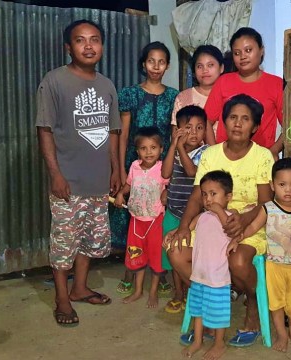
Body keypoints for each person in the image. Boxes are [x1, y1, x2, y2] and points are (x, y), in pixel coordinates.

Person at [168, 94, 274, 347]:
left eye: (245, 119)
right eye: (233, 117)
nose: (238, 123)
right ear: (224, 122)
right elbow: (197, 196)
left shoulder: (263, 157)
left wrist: (243, 220)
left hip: (250, 225)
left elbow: (267, 204)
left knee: (238, 261)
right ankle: (214, 297)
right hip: (210, 226)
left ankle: (252, 309)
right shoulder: (211, 155)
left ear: (255, 127)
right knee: (176, 252)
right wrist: (183, 227)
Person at [36, 19, 119, 327]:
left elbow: (112, 132)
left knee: (90, 240)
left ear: (101, 46)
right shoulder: (54, 81)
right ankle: (61, 298)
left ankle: (80, 288)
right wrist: (55, 174)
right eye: (80, 40)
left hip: (98, 182)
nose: (88, 45)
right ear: (67, 47)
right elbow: (44, 130)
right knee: (63, 243)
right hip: (68, 183)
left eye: (94, 39)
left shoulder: (107, 85)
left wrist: (116, 170)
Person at [113, 41, 179, 296]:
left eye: (161, 61)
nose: (156, 66)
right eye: (151, 61)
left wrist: (171, 178)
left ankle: (159, 270)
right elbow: (123, 134)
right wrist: (120, 170)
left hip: (161, 169)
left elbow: (173, 137)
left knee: (158, 219)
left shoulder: (174, 96)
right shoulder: (130, 93)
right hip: (135, 164)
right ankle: (130, 271)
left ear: (168, 65)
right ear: (143, 64)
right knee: (133, 220)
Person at [242, 157, 291, 352]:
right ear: (272, 185)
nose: (288, 190)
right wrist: (239, 237)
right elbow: (253, 226)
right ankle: (282, 334)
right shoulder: (269, 208)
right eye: (282, 184)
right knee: (276, 303)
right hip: (274, 266)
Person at [204, 27, 284, 160]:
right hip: (226, 159)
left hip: (260, 159)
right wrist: (215, 152)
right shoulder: (223, 82)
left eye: (248, 50)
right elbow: (206, 121)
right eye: (237, 53)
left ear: (261, 50)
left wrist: (273, 151)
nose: (243, 56)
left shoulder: (276, 84)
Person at [181, 170, 234, 359]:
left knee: (218, 313)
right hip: (199, 275)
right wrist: (175, 233)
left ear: (228, 196)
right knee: (197, 308)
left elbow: (232, 230)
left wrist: (219, 210)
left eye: (214, 194)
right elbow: (187, 229)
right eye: (204, 194)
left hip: (217, 278)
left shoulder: (229, 217)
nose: (208, 199)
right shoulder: (202, 217)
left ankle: (220, 344)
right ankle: (198, 340)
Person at [161, 105, 209, 314]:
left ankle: (192, 292)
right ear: (178, 130)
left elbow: (192, 173)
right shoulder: (175, 149)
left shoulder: (205, 152)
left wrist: (180, 148)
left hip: (193, 216)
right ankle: (178, 293)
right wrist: (173, 145)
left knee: (188, 253)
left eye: (199, 128)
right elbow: (165, 172)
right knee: (171, 251)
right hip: (172, 211)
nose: (193, 133)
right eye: (188, 128)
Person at [114, 126, 169, 307]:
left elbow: (169, 187)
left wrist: (166, 193)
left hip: (155, 220)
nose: (148, 152)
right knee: (136, 256)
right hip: (136, 221)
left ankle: (153, 292)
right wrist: (122, 194)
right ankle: (138, 290)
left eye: (153, 147)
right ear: (137, 151)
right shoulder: (134, 167)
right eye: (144, 148)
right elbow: (129, 185)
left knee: (155, 257)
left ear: (161, 149)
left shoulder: (163, 169)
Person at [170, 45, 225, 134]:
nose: (205, 70)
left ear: (221, 68)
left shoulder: (229, 96)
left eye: (210, 65)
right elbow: (176, 135)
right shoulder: (183, 97)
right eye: (200, 66)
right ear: (194, 70)